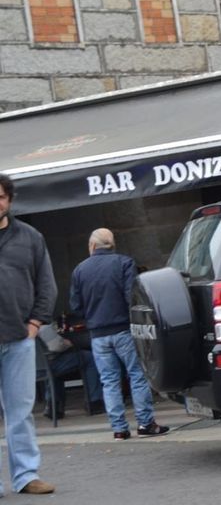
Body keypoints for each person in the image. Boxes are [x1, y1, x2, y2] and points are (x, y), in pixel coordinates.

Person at [70, 228, 169, 440]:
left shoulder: (79, 270)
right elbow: (130, 298)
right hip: (123, 329)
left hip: (97, 334)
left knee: (109, 381)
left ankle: (119, 429)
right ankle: (145, 424)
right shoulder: (124, 263)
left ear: (92, 246)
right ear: (111, 245)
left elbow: (75, 306)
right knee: (137, 375)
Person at [0, 173, 57, 495]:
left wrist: (35, 324)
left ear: (9, 200)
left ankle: (25, 476)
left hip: (19, 339)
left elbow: (46, 284)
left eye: (0, 197)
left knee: (20, 413)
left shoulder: (30, 237)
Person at [37, 323, 104, 418]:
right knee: (89, 357)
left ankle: (53, 406)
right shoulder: (42, 327)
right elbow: (56, 346)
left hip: (34, 369)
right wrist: (67, 343)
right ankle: (94, 401)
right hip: (51, 365)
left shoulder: (19, 328)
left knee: (53, 371)